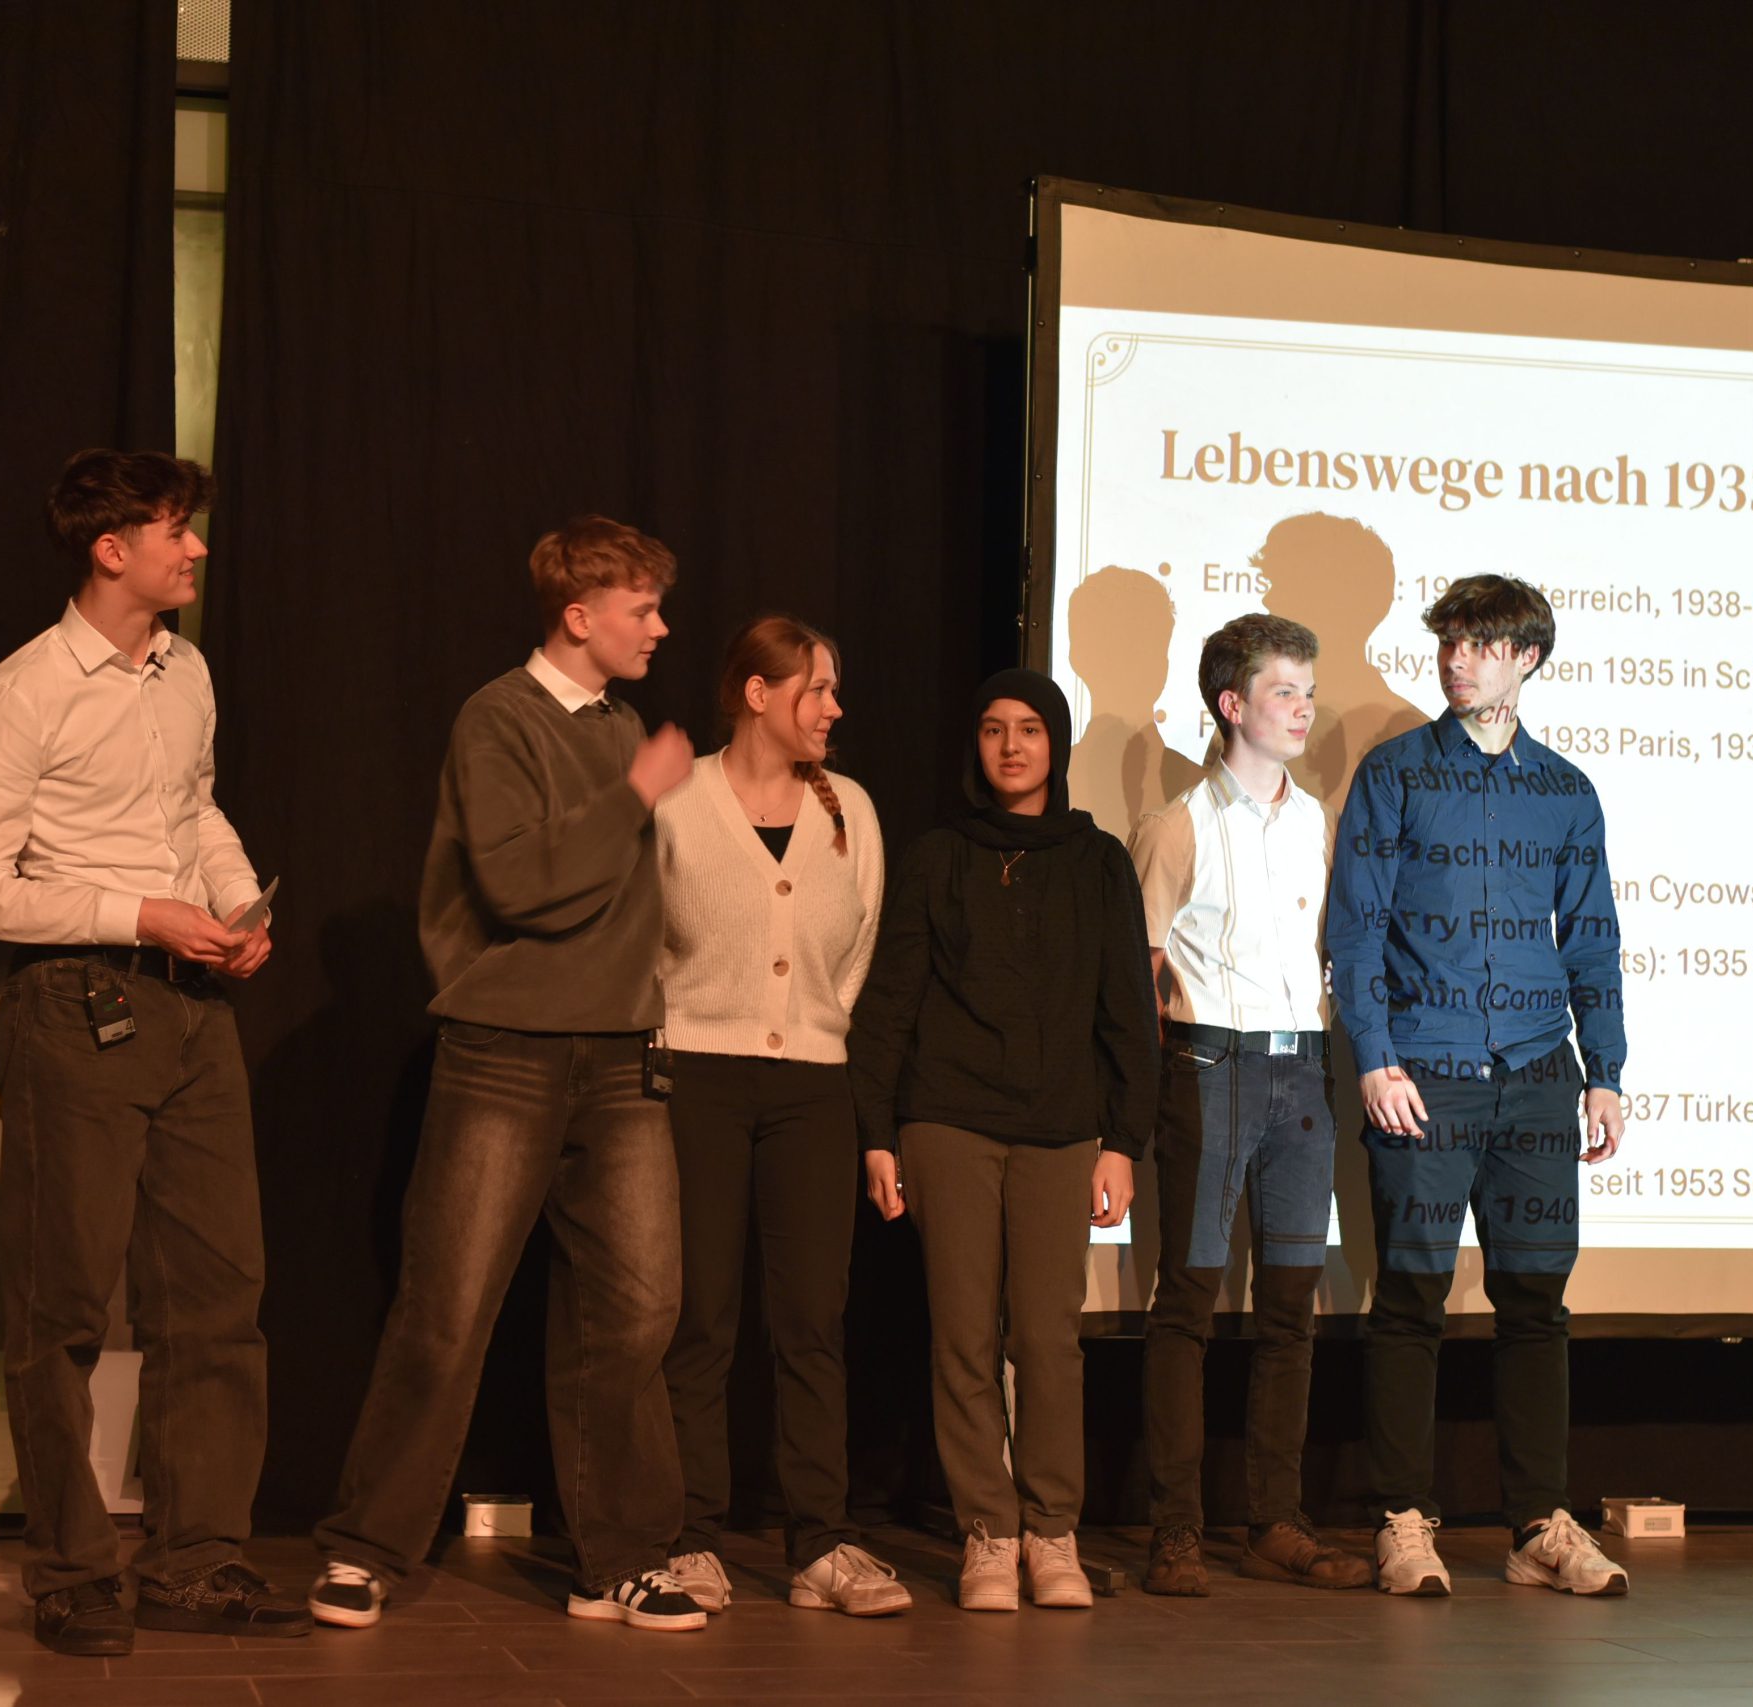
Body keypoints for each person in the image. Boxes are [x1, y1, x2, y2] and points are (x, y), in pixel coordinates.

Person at [309, 516, 707, 1632]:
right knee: (448, 1308)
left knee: (635, 1314)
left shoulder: (624, 725)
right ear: (579, 616)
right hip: (508, 1053)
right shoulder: (500, 718)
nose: (659, 629)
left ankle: (621, 1558)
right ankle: (365, 1549)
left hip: (622, 1057)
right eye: (641, 609)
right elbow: (526, 884)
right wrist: (637, 792)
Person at [0, 449, 305, 1656]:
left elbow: (191, 808)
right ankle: (70, 1570)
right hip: (75, 1003)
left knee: (217, 1296)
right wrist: (138, 913)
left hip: (192, 1008)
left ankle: (195, 1561)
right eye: (172, 529)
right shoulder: (22, 693)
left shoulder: (184, 670)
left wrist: (234, 902)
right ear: (111, 549)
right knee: (63, 1302)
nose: (195, 548)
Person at [1326, 574, 1632, 1598]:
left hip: (1539, 1073)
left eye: (1481, 644)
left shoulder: (1565, 791)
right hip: (1426, 1069)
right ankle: (1401, 1519)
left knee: (1535, 1302)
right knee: (1411, 1295)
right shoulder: (1396, 773)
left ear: (1526, 658)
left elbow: (1590, 936)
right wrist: (1375, 1054)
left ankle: (1538, 1526)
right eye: (1449, 641)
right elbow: (1356, 929)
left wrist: (1605, 1071)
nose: (1456, 660)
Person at [847, 667, 1158, 1612]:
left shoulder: (1098, 860)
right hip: (946, 1120)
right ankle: (988, 1529)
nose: (1011, 745)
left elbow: (1127, 1010)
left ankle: (1053, 1530)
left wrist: (1124, 1141)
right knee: (962, 1335)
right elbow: (891, 999)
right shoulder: (939, 855)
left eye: (1028, 728)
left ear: (1056, 743)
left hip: (1062, 1129)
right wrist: (876, 1134)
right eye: (992, 729)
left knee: (1048, 1337)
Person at [653, 616, 910, 1618]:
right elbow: (642, 937)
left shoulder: (852, 810)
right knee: (699, 1317)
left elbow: (859, 948)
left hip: (811, 1082)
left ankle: (820, 1544)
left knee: (811, 1320)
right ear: (757, 694)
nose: (835, 707)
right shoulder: (679, 799)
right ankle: (689, 1537)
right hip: (696, 1076)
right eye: (817, 689)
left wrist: (809, 1030)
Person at [1131, 615, 1371, 1596]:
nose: (1303, 709)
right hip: (1210, 1068)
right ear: (1232, 704)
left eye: (1307, 691)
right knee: (1187, 1302)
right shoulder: (1178, 825)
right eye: (1283, 691)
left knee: (1289, 1308)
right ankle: (1175, 1528)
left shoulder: (1317, 821)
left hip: (1301, 1076)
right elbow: (1142, 971)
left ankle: (1275, 1518)